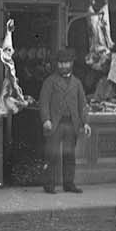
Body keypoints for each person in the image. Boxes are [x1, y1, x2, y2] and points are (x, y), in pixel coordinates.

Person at [39, 52, 91, 194]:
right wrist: (46, 120)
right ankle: (49, 185)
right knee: (52, 155)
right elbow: (44, 103)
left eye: (66, 63)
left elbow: (83, 105)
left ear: (71, 64)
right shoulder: (50, 81)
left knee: (69, 156)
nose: (63, 66)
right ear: (57, 64)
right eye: (60, 63)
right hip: (55, 124)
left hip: (72, 124)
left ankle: (69, 184)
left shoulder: (77, 83)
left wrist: (85, 122)